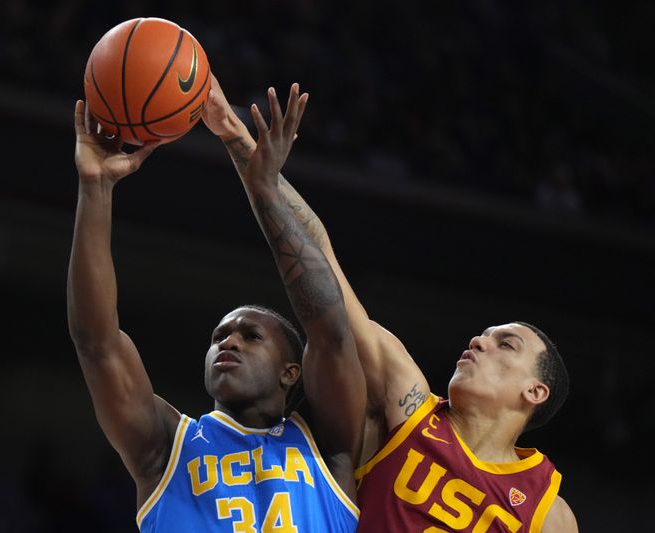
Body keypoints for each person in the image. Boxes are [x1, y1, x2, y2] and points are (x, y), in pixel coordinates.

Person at [203, 75, 579, 532]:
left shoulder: (547, 512)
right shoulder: (409, 404)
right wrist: (235, 138)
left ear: (534, 392)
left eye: (506, 345)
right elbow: (321, 260)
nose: (480, 341)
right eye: (486, 335)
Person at [67, 89, 365, 532]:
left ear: (291, 372)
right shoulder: (166, 444)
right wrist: (95, 188)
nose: (228, 340)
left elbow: (331, 328)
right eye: (219, 336)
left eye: (251, 335)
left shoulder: (326, 446)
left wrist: (264, 190)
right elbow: (98, 345)